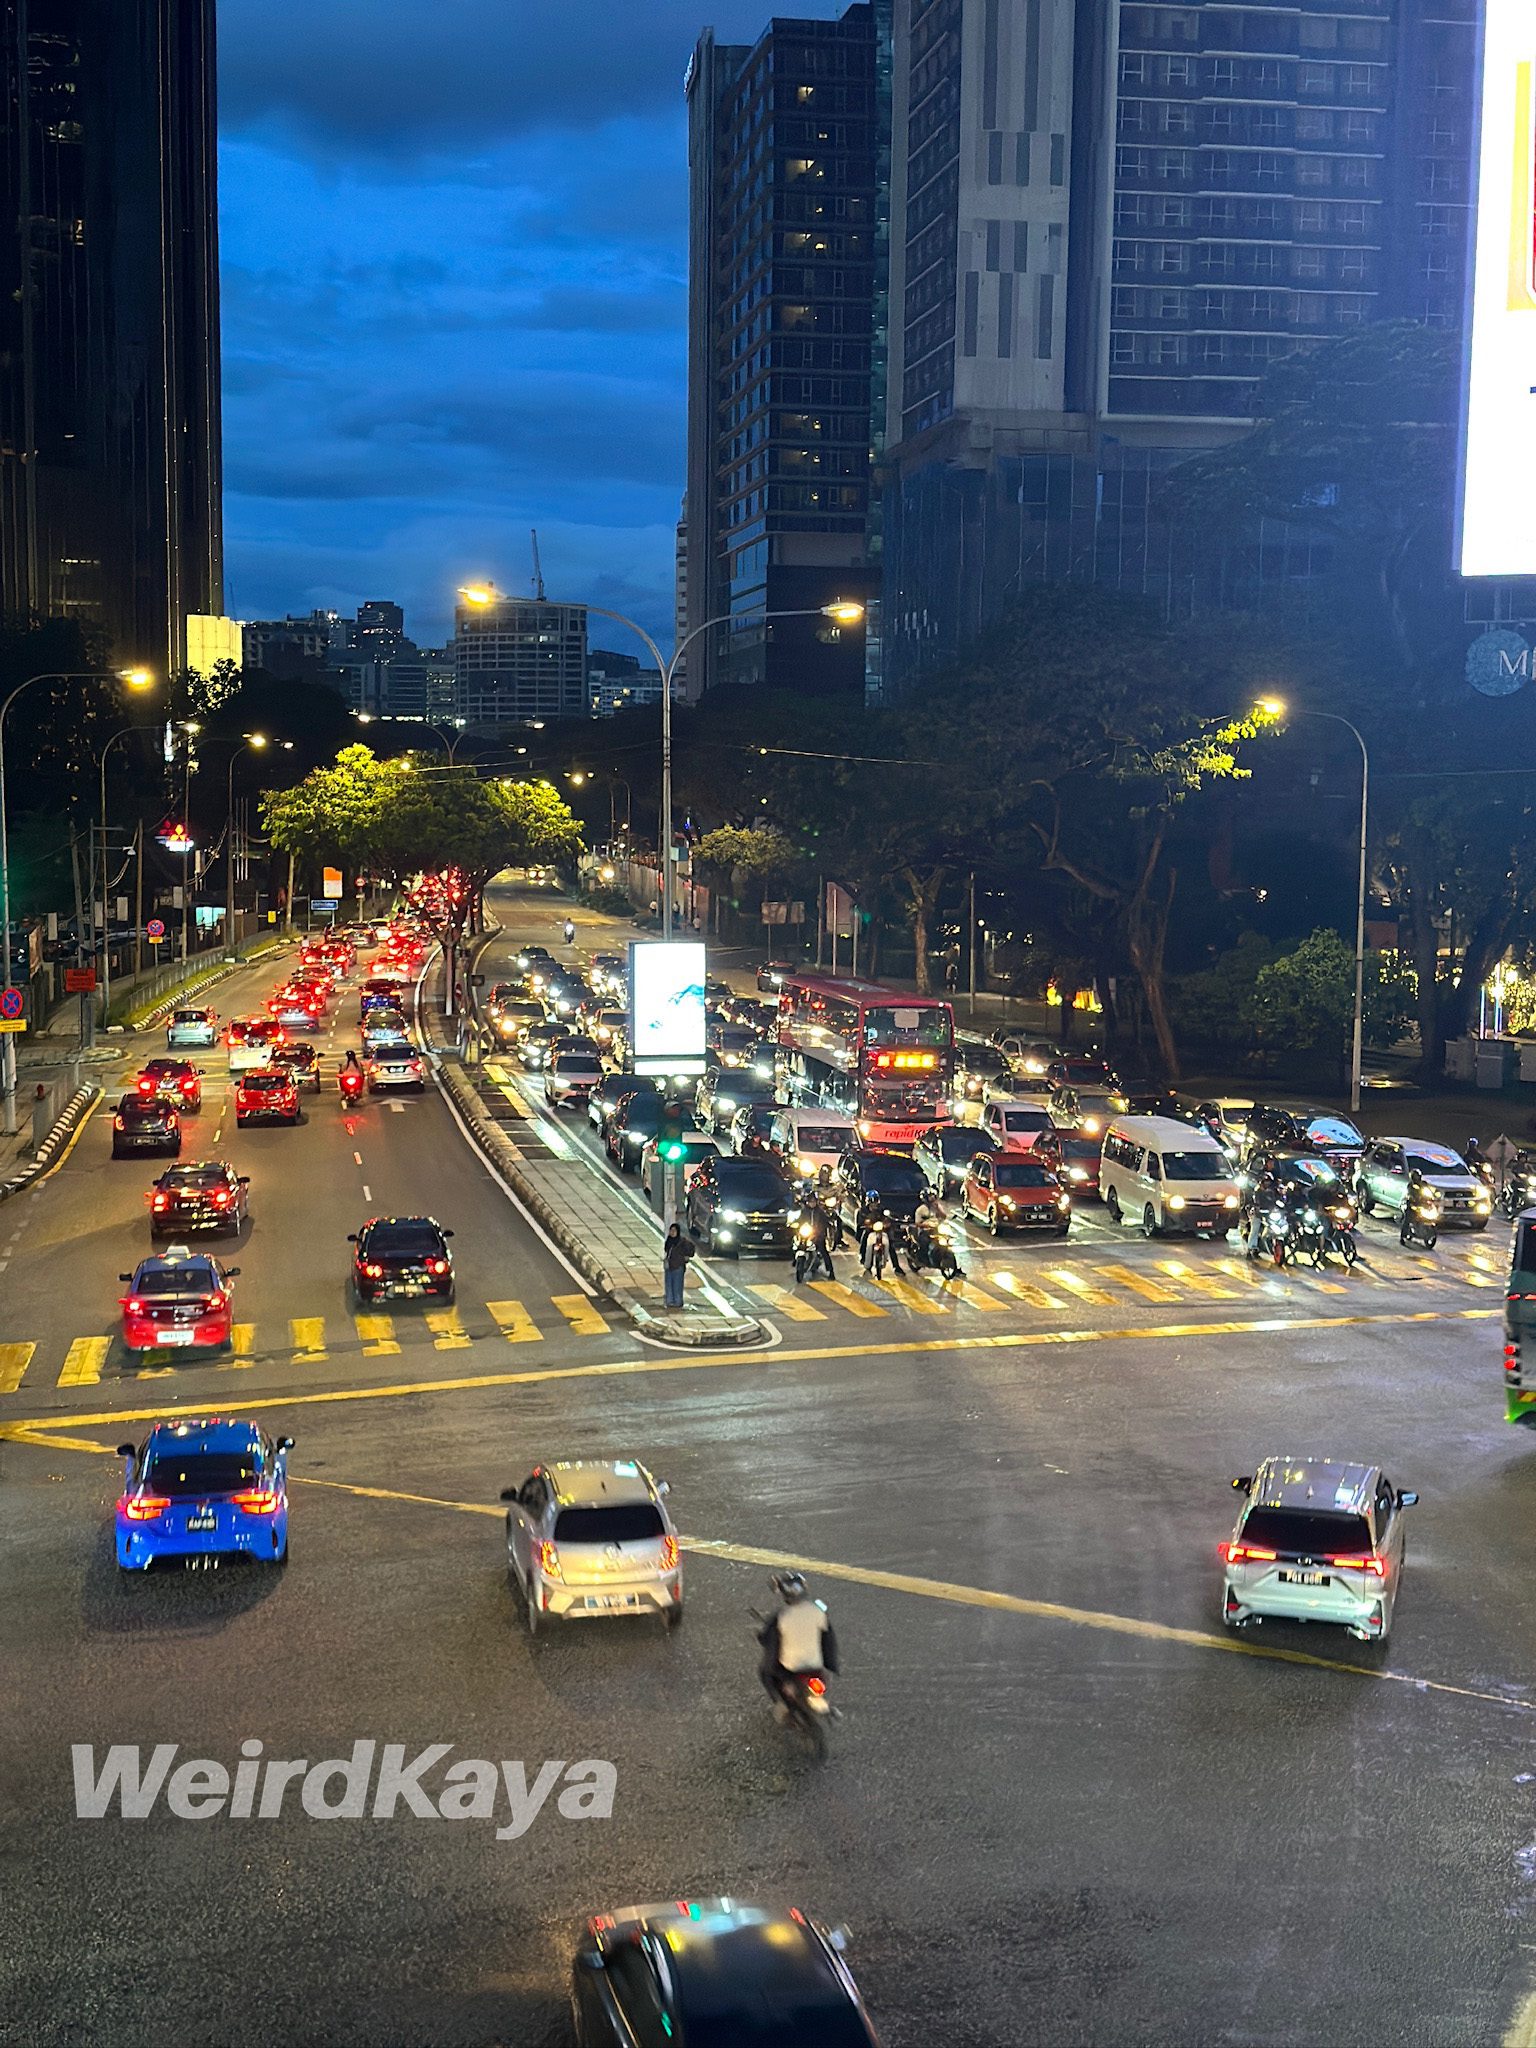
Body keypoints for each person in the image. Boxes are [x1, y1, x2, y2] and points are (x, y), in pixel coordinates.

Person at [756, 1572, 839, 1719]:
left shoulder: (780, 1617)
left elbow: (768, 1641)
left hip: (791, 1668)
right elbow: (828, 1639)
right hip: (815, 1665)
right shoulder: (818, 1611)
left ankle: (781, 1704)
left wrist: (761, 1636)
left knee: (764, 1672)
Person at [662, 1222, 693, 1309]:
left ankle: (677, 1302)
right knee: (669, 1284)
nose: (672, 1232)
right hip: (669, 1266)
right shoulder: (669, 1241)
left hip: (678, 1267)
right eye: (671, 1230)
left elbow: (690, 1251)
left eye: (674, 1231)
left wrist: (685, 1258)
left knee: (677, 1285)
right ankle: (670, 1301)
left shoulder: (682, 1242)